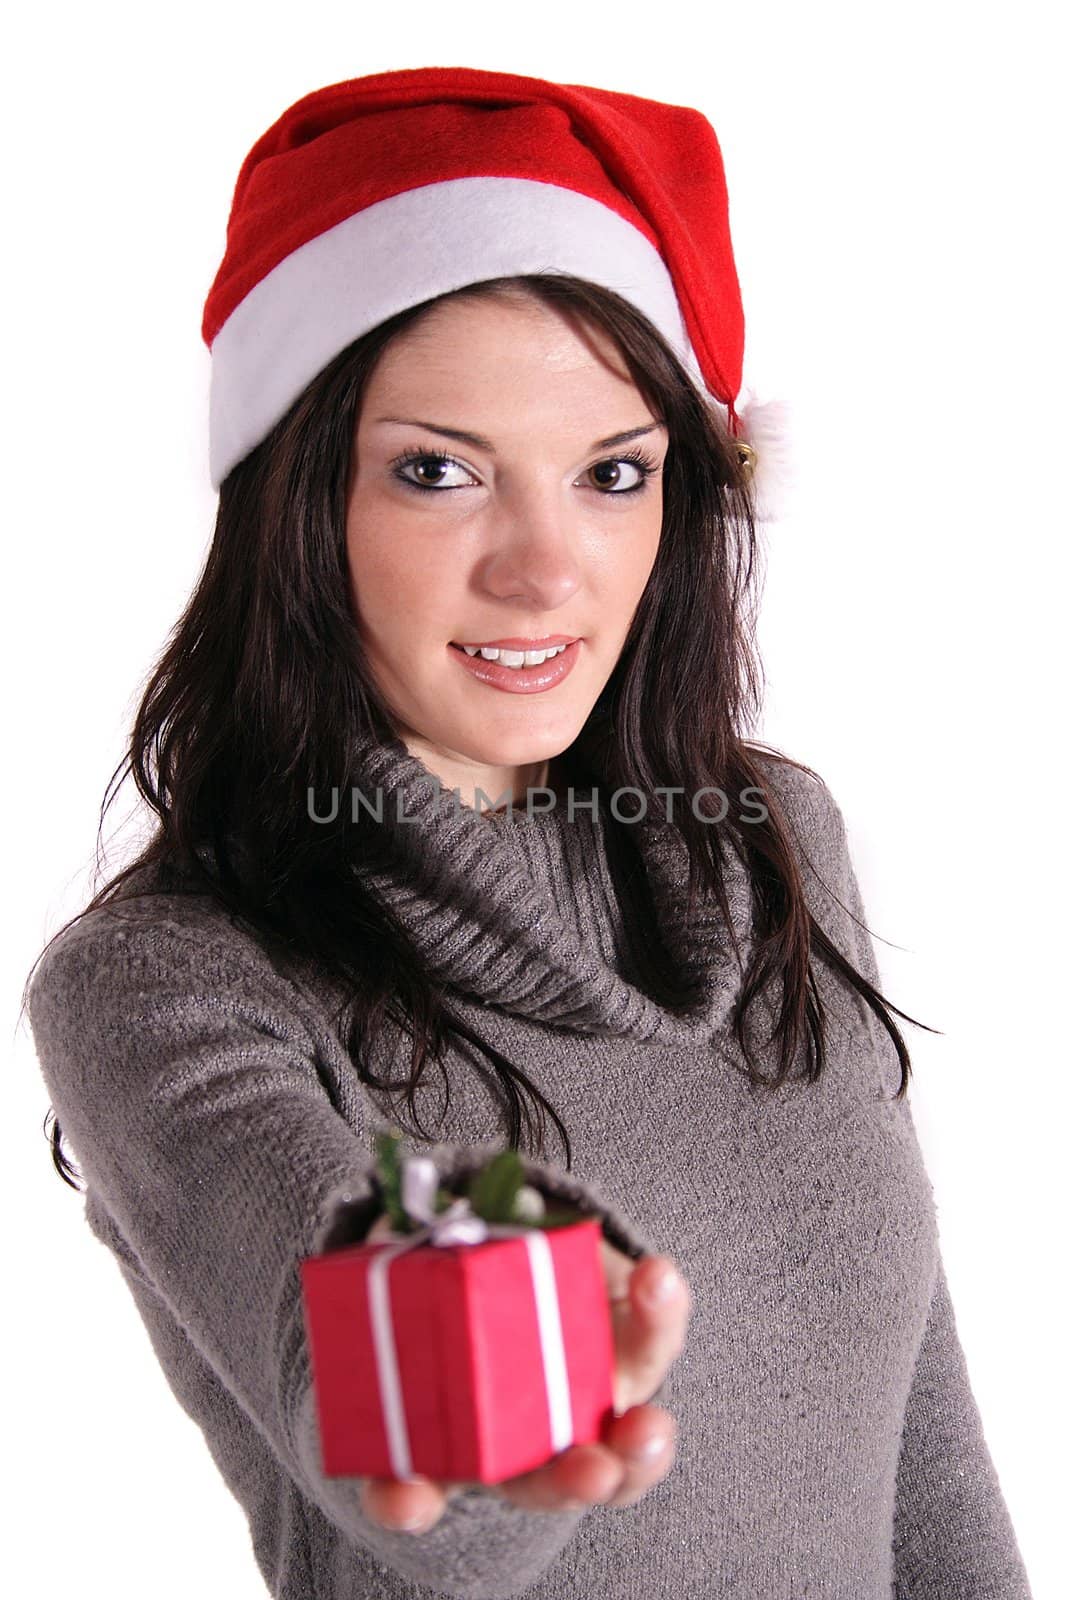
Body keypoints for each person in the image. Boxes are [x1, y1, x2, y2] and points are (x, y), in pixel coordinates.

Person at [21, 65, 1032, 1600]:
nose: (545, 571)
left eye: (611, 474)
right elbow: (411, 1467)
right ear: (303, 504)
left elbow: (927, 1451)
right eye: (439, 472)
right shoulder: (170, 982)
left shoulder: (776, 842)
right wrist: (492, 1368)